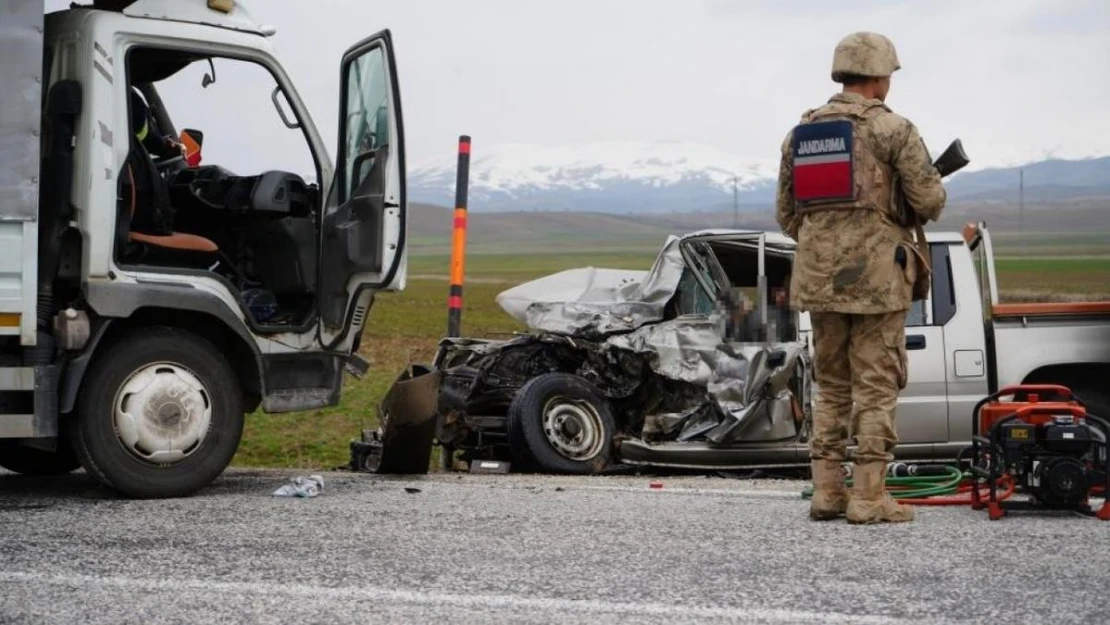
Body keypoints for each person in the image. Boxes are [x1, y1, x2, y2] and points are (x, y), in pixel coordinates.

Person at [774, 32, 946, 524]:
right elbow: (930, 202)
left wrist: (830, 238)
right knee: (875, 387)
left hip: (819, 281)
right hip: (876, 282)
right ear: (879, 77)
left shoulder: (801, 134)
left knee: (830, 387)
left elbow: (787, 214)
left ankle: (826, 493)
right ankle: (869, 498)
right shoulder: (893, 130)